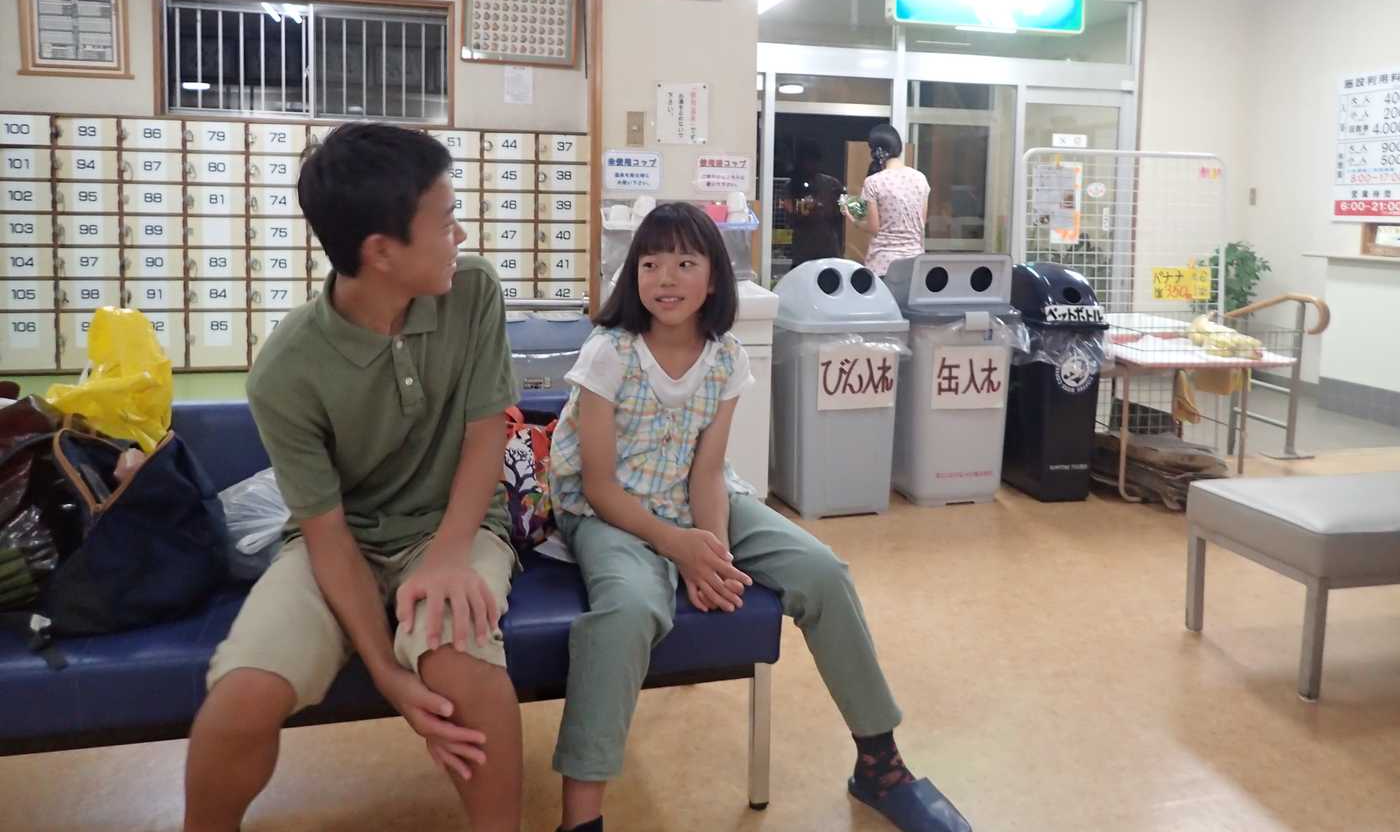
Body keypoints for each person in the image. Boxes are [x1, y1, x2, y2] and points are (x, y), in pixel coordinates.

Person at [545, 202, 970, 832]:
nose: (665, 277)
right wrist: (678, 546)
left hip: (696, 495)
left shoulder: (726, 358)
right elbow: (600, 486)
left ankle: (880, 765)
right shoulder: (609, 352)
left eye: (684, 262)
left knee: (823, 573)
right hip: (612, 512)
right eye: (650, 263)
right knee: (628, 609)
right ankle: (580, 820)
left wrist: (711, 553)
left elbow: (707, 473)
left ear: (713, 277)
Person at [184, 123, 524, 832]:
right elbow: (326, 532)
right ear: (381, 251)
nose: (460, 236)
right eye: (445, 221)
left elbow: (486, 432)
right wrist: (389, 676)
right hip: (340, 546)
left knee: (464, 673)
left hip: (455, 526)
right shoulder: (286, 370)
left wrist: (448, 555)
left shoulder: (473, 291)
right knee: (243, 696)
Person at [846, 123, 931, 276]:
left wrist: (854, 220)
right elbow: (921, 223)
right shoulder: (920, 179)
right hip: (915, 263)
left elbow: (874, 227)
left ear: (876, 151)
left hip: (883, 263)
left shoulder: (874, 182)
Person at [783, 137, 844, 265]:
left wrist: (825, 209)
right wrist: (806, 211)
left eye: (813, 160)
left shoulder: (832, 184)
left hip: (828, 248)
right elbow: (789, 220)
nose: (810, 165)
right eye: (806, 160)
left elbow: (847, 214)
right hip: (803, 251)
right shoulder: (791, 186)